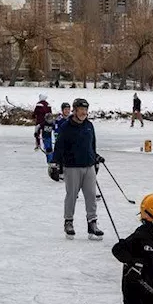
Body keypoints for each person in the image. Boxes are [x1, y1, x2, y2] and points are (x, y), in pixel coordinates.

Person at [50, 98, 105, 238]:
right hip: (72, 166)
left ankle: (92, 223)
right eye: (81, 110)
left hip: (89, 166)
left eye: (86, 110)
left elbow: (92, 145)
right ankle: (68, 221)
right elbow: (59, 146)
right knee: (71, 195)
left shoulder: (89, 125)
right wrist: (55, 163)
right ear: (75, 110)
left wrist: (95, 158)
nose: (84, 112)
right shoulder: (66, 126)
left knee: (91, 195)